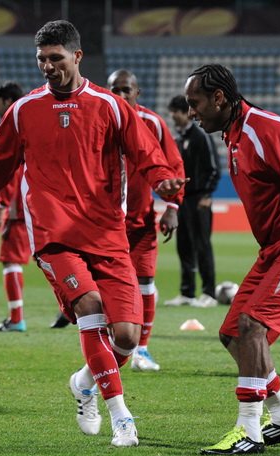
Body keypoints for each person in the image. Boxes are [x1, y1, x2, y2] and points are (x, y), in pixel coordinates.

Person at [0, 20, 187, 447]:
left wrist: (164, 182)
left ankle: (84, 382)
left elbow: (146, 153)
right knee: (90, 309)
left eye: (56, 58)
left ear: (77, 56)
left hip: (108, 236)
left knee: (127, 338)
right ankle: (121, 417)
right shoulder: (24, 111)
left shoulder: (110, 106)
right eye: (42, 59)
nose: (48, 66)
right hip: (55, 237)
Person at [183, 64, 280, 455]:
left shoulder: (265, 129)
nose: (191, 112)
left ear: (219, 98)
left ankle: (249, 430)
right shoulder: (235, 133)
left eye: (195, 102)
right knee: (233, 334)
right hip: (275, 250)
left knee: (252, 325)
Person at [107, 69, 185, 371]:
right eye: (115, 89)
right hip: (104, 223)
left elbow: (173, 165)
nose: (120, 95)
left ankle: (142, 349)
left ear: (137, 93)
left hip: (140, 221)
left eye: (125, 90)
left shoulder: (152, 123)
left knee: (145, 281)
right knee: (103, 287)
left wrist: (172, 206)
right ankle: (109, 346)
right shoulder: (98, 118)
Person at [165, 94, 220, 308]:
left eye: (175, 113)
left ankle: (209, 293)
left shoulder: (201, 136)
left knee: (202, 245)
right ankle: (187, 292)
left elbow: (214, 168)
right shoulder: (178, 138)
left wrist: (207, 195)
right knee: (184, 245)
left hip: (199, 198)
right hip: (183, 198)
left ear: (184, 113)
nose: (173, 117)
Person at [0, 81, 30, 333]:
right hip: (40, 204)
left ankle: (16, 319)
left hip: (20, 208)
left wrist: (3, 204)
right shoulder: (31, 121)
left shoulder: (13, 125)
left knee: (10, 260)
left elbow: (11, 170)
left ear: (7, 101)